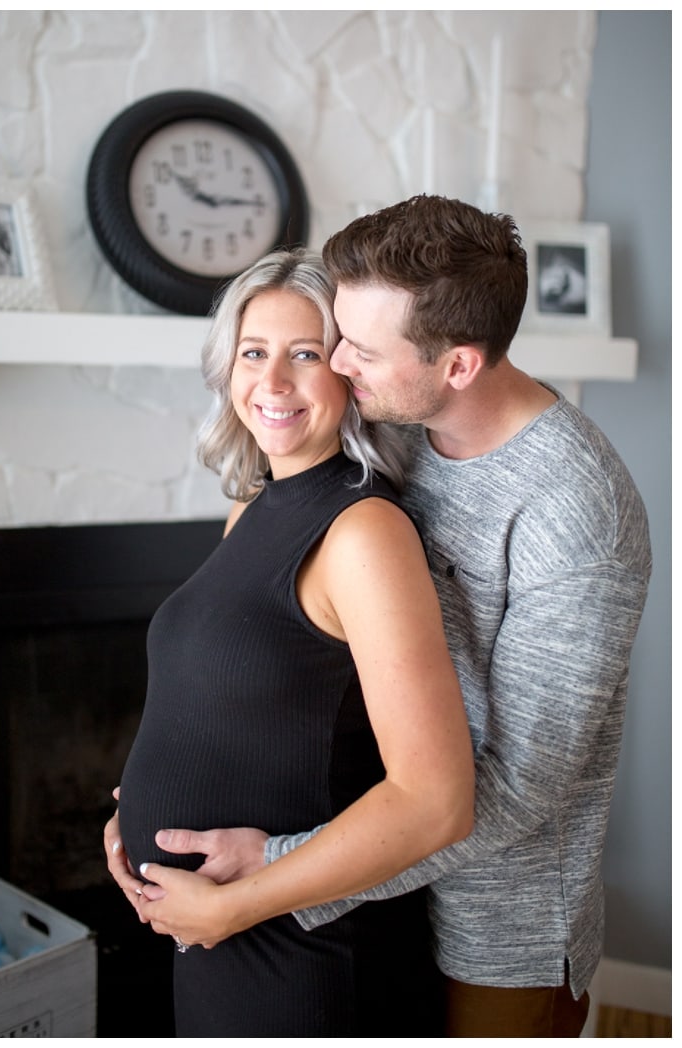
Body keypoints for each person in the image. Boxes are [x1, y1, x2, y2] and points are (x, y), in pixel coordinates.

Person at [112, 195, 653, 1037]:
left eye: (355, 349)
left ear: (458, 365)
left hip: (490, 935)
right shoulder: (408, 435)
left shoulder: (574, 511)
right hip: (364, 894)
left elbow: (514, 789)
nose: (339, 363)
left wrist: (272, 874)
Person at [108, 248, 475, 1036]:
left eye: (304, 354)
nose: (272, 383)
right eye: (253, 352)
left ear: (349, 372)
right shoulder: (253, 507)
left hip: (305, 952)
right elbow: (223, 702)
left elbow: (436, 801)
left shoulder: (364, 532)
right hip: (219, 938)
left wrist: (237, 902)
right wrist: (130, 814)